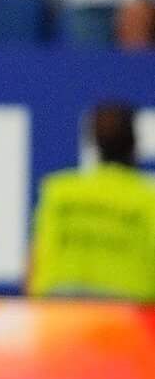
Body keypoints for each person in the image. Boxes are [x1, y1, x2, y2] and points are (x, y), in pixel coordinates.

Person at [28, 102, 155, 301]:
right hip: (129, 318)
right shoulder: (148, 198)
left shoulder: (59, 191)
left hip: (60, 312)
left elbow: (33, 264)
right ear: (135, 142)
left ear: (93, 142)